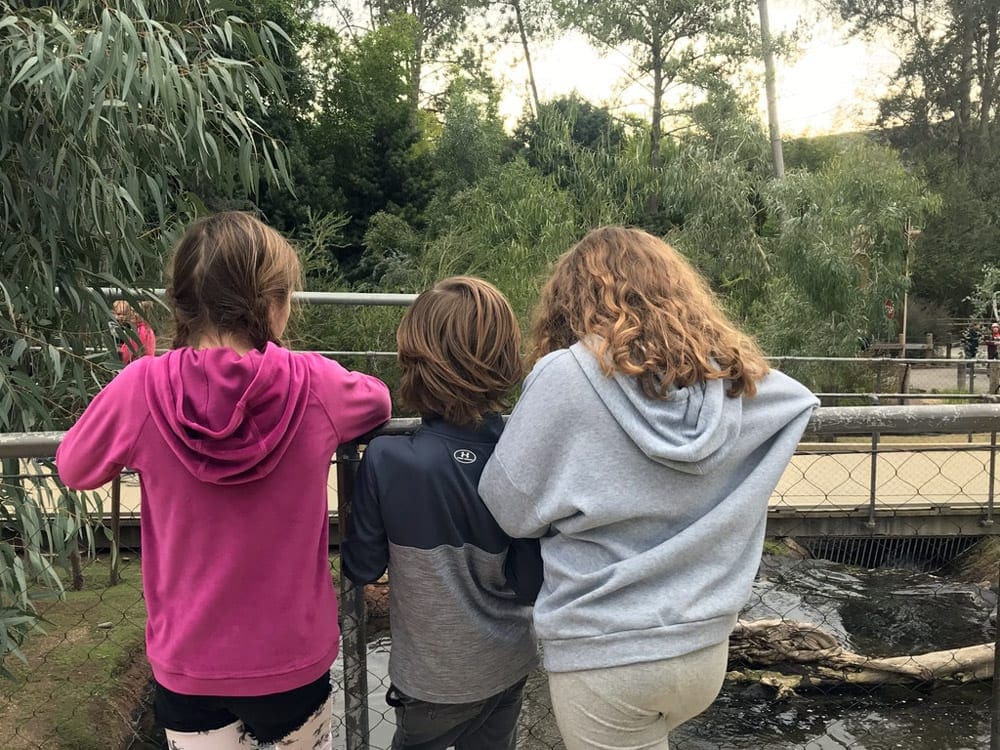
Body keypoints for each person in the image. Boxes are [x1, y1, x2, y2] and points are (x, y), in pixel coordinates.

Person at [57, 212, 391, 750]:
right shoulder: (315, 384)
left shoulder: (140, 387)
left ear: (182, 302)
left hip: (188, 658)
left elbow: (75, 467)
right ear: (274, 303)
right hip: (291, 658)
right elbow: (379, 399)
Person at [478, 227, 819, 750]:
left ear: (571, 301)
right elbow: (796, 399)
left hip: (605, 652)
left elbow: (509, 508)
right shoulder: (733, 381)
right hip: (704, 646)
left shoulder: (565, 374)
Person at [341, 276, 542, 750]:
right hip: (509, 665)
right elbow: (532, 581)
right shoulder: (520, 453)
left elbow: (363, 567)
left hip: (432, 680)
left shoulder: (388, 459)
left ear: (415, 359)